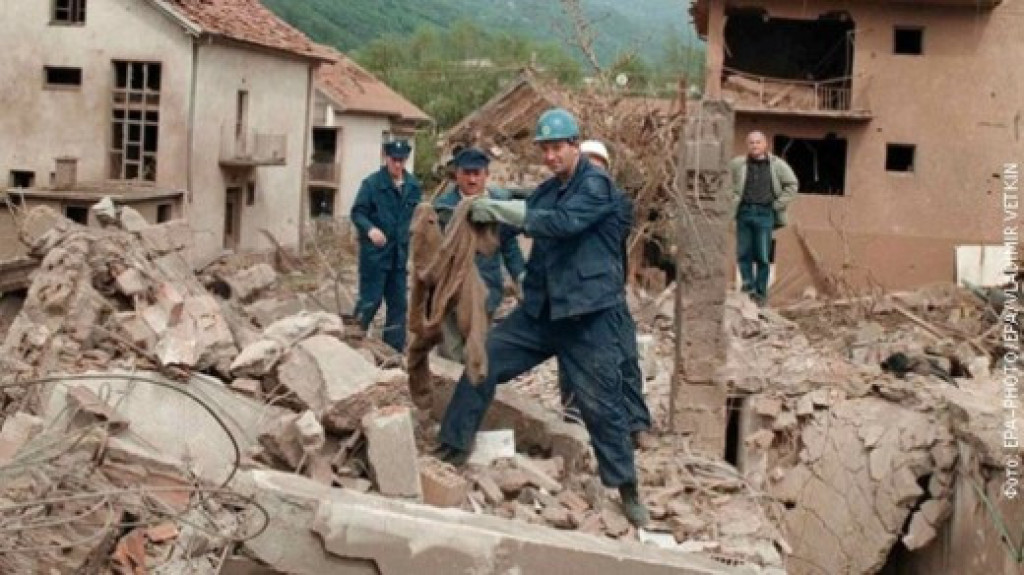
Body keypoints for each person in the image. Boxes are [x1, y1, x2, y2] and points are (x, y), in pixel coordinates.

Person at [435, 108, 650, 527]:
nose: (550, 156)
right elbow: (523, 209)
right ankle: (453, 446)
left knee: (602, 405)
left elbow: (561, 223)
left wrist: (499, 209)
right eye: (544, 149)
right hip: (542, 312)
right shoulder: (550, 189)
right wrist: (465, 213)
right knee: (482, 362)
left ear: (575, 145)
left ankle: (627, 490)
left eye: (557, 148)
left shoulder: (596, 185)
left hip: (587, 318)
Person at [560, 140, 653, 446]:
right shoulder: (563, 202)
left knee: (626, 355)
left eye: (599, 168)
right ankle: (574, 418)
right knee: (573, 357)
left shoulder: (617, 204)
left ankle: (637, 424)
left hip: (610, 294)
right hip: (573, 295)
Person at [433, 147, 525, 360]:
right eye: (467, 173)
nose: (472, 180)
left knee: (478, 355)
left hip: (486, 291)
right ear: (457, 174)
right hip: (452, 294)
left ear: (486, 174)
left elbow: (509, 244)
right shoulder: (443, 208)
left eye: (477, 173)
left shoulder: (499, 203)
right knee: (450, 356)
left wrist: (520, 277)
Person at [350, 140, 422, 352]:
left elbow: (418, 216)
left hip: (399, 257)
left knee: (399, 305)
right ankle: (352, 342)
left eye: (402, 160)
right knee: (370, 301)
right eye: (394, 160)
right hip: (375, 256)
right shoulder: (372, 184)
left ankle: (393, 352)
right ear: (386, 158)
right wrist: (370, 229)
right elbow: (358, 213)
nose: (398, 165)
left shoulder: (413, 186)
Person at [727, 131, 798, 306]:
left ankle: (760, 295)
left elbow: (792, 184)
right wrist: (731, 199)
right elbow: (724, 181)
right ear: (747, 145)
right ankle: (747, 290)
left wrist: (778, 204)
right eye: (751, 142)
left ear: (765, 144)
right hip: (744, 212)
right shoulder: (738, 164)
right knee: (743, 254)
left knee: (762, 256)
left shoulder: (777, 165)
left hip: (765, 213)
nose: (755, 145)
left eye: (758, 142)